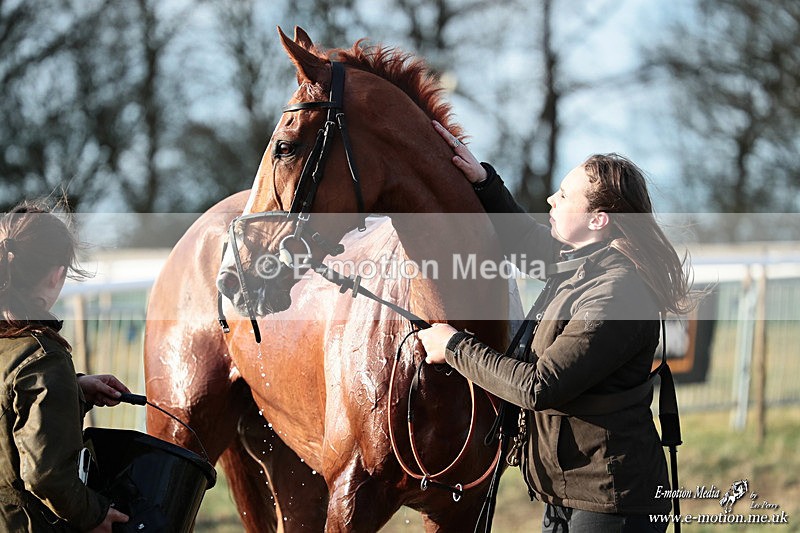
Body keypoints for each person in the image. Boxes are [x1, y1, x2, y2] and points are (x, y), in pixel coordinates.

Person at [418, 121, 692, 532]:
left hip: (611, 504)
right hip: (572, 495)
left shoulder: (617, 294)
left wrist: (454, 346)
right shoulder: (582, 263)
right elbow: (525, 240)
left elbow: (538, 386)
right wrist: (482, 181)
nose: (551, 198)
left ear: (599, 220)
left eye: (564, 196)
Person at [0, 201, 130, 532]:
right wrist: (94, 514)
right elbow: (46, 476)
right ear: (58, 274)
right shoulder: (43, 359)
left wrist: (73, 387)